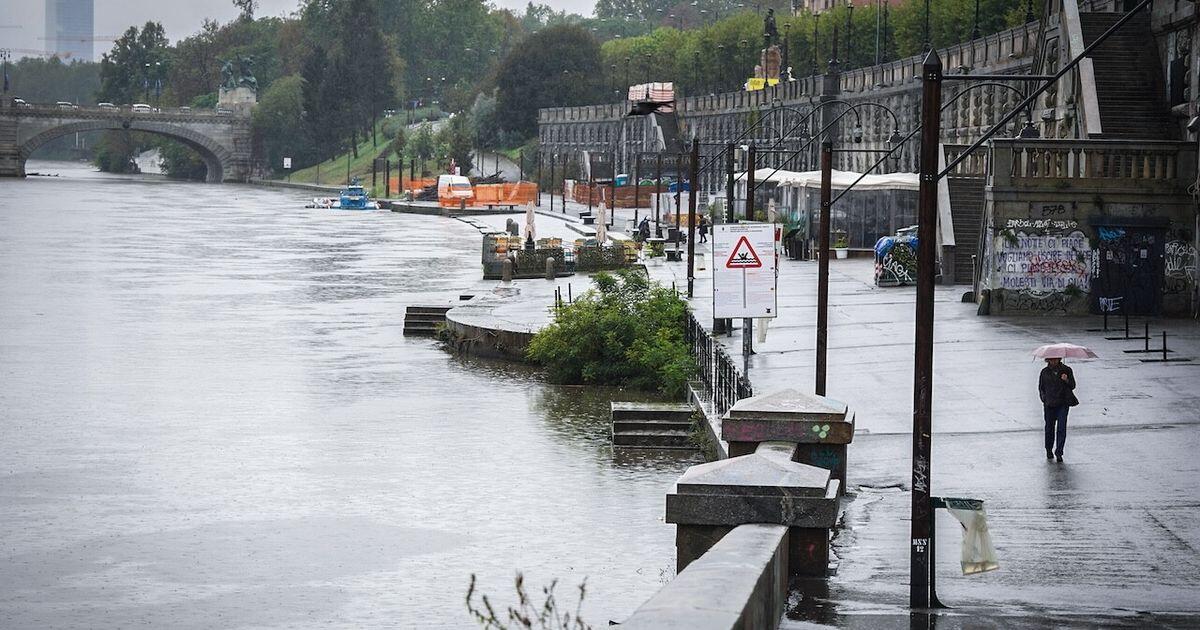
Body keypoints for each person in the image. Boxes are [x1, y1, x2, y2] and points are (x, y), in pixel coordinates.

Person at [1038, 357, 1077, 462]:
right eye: (1051, 359)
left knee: (1061, 428)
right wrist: (1044, 399)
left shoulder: (1066, 370)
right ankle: (1048, 449)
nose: (1053, 361)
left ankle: (1059, 452)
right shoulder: (1044, 372)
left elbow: (1073, 385)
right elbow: (1041, 388)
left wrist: (1066, 380)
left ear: (1059, 359)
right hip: (1049, 404)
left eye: (1055, 359)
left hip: (1063, 403)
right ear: (1048, 360)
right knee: (1049, 428)